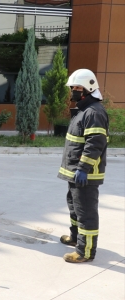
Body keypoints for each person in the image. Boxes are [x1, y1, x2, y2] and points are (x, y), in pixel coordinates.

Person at [58, 69, 109, 263]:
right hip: (75, 172)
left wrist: (83, 169)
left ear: (88, 88)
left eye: (77, 88)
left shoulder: (94, 112)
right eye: (73, 88)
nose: (73, 91)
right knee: (75, 207)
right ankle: (75, 238)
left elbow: (95, 143)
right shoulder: (84, 110)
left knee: (86, 211)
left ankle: (85, 251)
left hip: (85, 175)